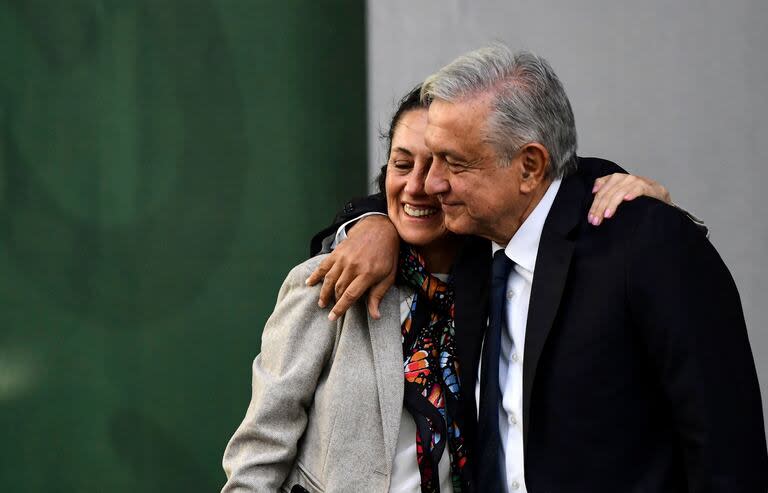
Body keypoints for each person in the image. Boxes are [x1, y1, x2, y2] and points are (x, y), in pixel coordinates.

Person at [307, 46, 767, 492]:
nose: (432, 183)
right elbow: (405, 203)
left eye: (454, 162)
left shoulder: (645, 246)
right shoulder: (469, 241)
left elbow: (727, 453)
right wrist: (372, 224)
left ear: (529, 167)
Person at [221, 83, 673, 492]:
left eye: (442, 165)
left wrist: (626, 188)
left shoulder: (505, 287)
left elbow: (545, 185)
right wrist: (370, 221)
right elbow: (259, 454)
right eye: (402, 164)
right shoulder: (334, 277)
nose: (420, 186)